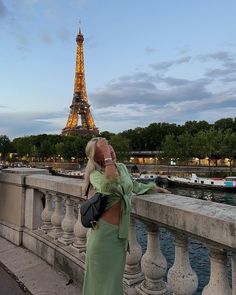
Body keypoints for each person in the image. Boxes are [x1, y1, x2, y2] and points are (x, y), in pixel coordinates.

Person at [82, 137, 169, 295]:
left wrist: (155, 188)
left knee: (113, 284)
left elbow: (134, 186)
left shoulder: (121, 167)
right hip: (103, 237)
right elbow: (108, 186)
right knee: (99, 285)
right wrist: (108, 157)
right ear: (96, 156)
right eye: (104, 150)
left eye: (109, 146)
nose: (110, 150)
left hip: (120, 237)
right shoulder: (95, 174)